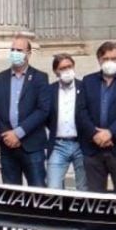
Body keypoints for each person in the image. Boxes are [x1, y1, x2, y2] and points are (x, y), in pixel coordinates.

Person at [76, 41, 116, 195]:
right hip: (93, 148)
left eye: (114, 58)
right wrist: (95, 134)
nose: (110, 62)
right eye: (106, 59)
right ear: (99, 60)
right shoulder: (88, 81)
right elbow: (81, 111)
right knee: (94, 196)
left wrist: (110, 133)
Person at [0, 33, 51, 187]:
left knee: (38, 192)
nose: (15, 53)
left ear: (28, 54)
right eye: (12, 50)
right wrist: (7, 134)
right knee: (11, 193)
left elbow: (43, 110)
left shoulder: (40, 78)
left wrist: (18, 133)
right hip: (6, 146)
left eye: (19, 50)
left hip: (32, 146)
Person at [45, 53, 87, 191]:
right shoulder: (49, 90)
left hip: (81, 144)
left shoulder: (84, 87)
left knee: (83, 188)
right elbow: (46, 116)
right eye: (63, 68)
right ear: (56, 71)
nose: (67, 70)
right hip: (59, 145)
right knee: (53, 187)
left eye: (69, 66)